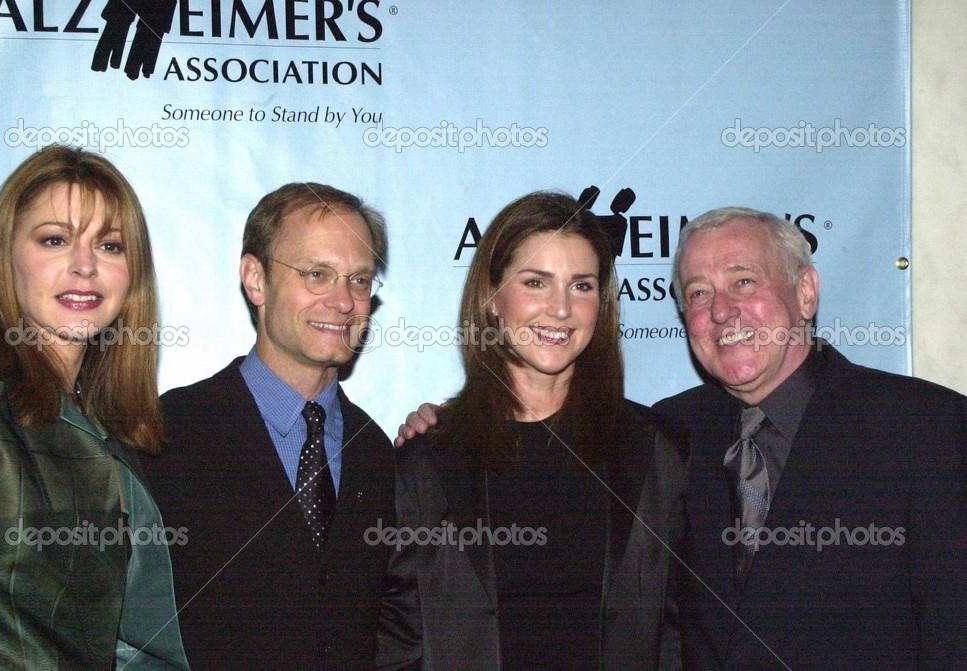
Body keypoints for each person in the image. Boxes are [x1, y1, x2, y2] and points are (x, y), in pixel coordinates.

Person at [376, 192, 688, 671]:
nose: (560, 309)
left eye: (581, 286)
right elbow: (397, 644)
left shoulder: (655, 451)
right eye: (536, 282)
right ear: (493, 299)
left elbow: (678, 638)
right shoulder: (427, 463)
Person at [652, 207, 967, 669]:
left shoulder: (925, 427)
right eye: (699, 293)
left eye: (744, 282)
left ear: (805, 293)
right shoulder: (671, 432)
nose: (720, 310)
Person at [0, 145, 189, 670]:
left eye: (110, 246)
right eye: (55, 240)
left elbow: (135, 645)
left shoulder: (117, 430)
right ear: (6, 256)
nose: (84, 266)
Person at [146, 183, 396, 670]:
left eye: (360, 280)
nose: (344, 302)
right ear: (255, 279)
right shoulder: (167, 435)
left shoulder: (377, 453)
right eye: (317, 274)